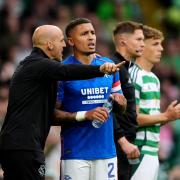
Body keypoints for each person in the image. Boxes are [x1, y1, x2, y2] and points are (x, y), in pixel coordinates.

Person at [0, 24, 123, 180]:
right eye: (60, 41)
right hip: (24, 146)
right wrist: (100, 69)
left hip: (18, 145)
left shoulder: (34, 66)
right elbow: (66, 71)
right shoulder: (38, 64)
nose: (64, 45)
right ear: (49, 45)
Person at [56, 18, 126, 180]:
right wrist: (85, 115)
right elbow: (51, 115)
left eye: (93, 33)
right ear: (71, 40)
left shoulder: (110, 66)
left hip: (106, 151)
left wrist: (120, 103)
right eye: (84, 34)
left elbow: (121, 108)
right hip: (75, 152)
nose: (91, 37)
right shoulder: (63, 71)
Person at [129, 25, 180, 180]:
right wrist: (166, 116)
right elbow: (132, 119)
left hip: (152, 150)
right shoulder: (133, 75)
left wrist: (169, 117)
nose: (161, 49)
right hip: (138, 150)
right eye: (156, 44)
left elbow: (151, 120)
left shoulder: (154, 78)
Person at [112, 21, 145, 180]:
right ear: (123, 41)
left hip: (126, 144)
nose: (142, 44)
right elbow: (107, 108)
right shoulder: (114, 67)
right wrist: (123, 141)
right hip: (118, 146)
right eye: (138, 39)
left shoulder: (126, 69)